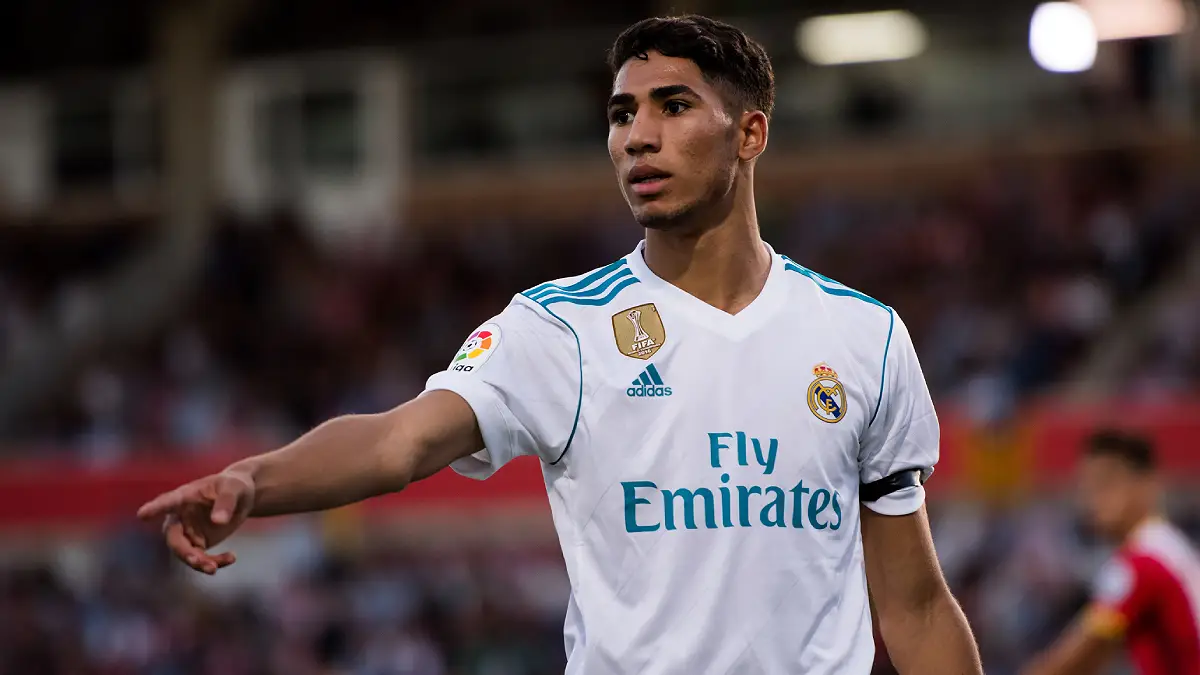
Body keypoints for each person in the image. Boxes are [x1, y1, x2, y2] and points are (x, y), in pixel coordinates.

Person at [138, 15, 982, 674]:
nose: (636, 136)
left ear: (750, 134)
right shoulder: (559, 327)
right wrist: (258, 477)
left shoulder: (863, 335)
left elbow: (911, 604)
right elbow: (401, 439)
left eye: (673, 106)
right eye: (621, 115)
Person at [1022, 430, 1200, 675]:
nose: (1092, 500)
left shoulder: (1140, 564)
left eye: (1106, 484)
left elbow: (1078, 658)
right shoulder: (1169, 548)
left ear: (1145, 485)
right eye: (1087, 487)